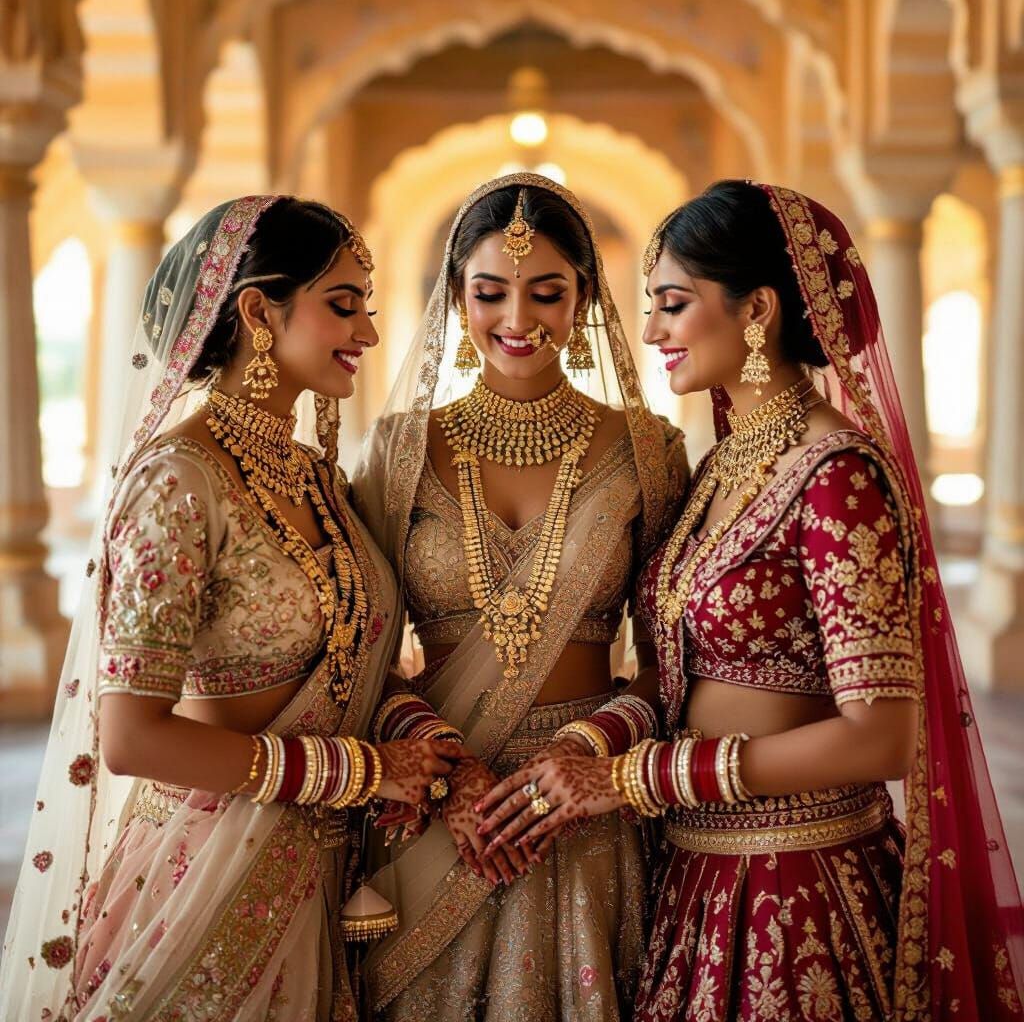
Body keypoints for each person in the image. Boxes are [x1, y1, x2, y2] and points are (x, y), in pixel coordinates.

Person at [479, 180, 1024, 1019]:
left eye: (673, 303)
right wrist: (589, 752)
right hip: (695, 875)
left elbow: (882, 737)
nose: (652, 330)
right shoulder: (720, 471)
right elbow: (676, 675)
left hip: (801, 885)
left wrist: (642, 779)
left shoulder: (838, 475)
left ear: (757, 309)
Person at [0, 195, 464, 1022]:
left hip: (324, 870)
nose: (367, 334)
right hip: (206, 872)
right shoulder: (179, 480)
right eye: (343, 305)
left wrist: (418, 739)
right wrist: (356, 772)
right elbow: (132, 737)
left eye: (367, 308)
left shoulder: (317, 480)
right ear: (257, 310)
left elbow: (355, 659)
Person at [351, 173, 688, 1020]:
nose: (517, 319)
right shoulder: (396, 452)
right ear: (454, 298)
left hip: (584, 810)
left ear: (584, 301)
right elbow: (356, 660)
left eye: (548, 292)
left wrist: (584, 750)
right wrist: (449, 776)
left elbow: (674, 662)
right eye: (489, 292)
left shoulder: (649, 450)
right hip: (437, 807)